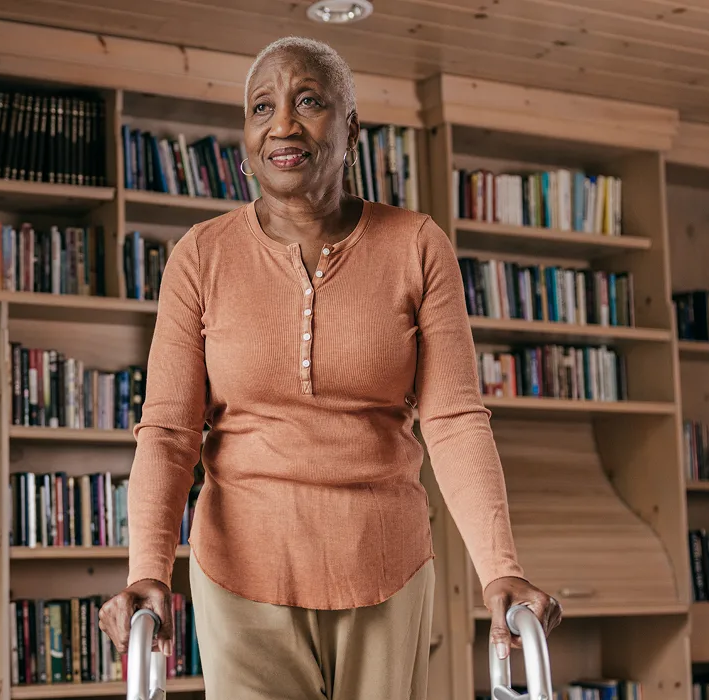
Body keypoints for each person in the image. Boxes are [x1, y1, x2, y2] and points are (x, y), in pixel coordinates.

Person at [97, 35, 561, 699]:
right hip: (240, 577)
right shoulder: (201, 255)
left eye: (308, 101)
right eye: (262, 108)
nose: (282, 124)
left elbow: (455, 421)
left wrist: (501, 571)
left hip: (385, 570)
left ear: (350, 127)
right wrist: (148, 569)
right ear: (246, 134)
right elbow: (168, 431)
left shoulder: (418, 246)